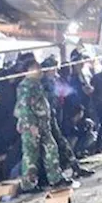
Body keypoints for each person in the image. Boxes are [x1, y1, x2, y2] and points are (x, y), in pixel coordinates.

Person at [13, 54, 66, 193]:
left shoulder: (37, 84)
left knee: (51, 149)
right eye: (36, 67)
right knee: (31, 155)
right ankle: (29, 184)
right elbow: (24, 108)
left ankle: (55, 178)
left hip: (43, 124)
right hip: (32, 125)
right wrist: (31, 126)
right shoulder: (25, 86)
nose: (40, 70)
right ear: (29, 70)